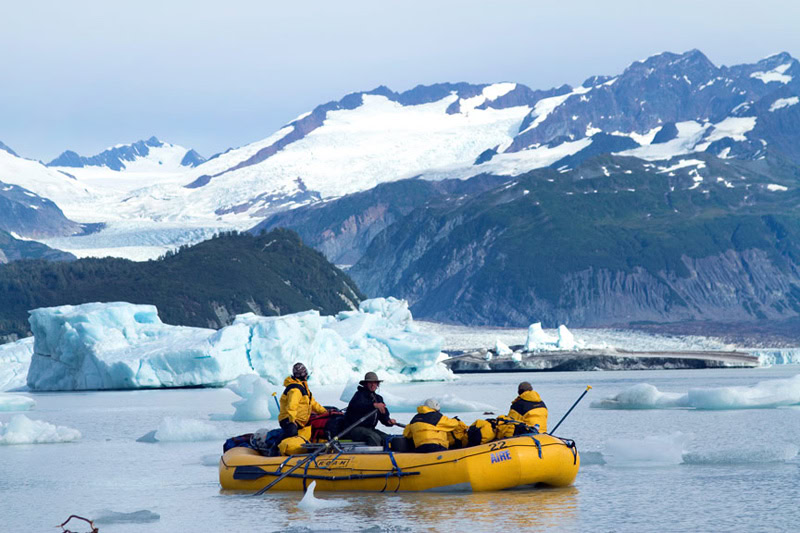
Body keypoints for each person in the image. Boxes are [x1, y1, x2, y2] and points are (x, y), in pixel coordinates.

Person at [277, 362, 328, 455]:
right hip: (290, 420)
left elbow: (313, 403)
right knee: (291, 435)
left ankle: (300, 449)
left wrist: (325, 412)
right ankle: (275, 449)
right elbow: (292, 406)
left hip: (301, 421)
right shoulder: (295, 390)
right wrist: (292, 421)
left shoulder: (303, 388)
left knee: (303, 437)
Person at [342, 371, 397, 446]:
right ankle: (373, 456)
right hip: (353, 428)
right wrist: (373, 405)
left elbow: (383, 415)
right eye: (370, 382)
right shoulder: (359, 395)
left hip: (369, 429)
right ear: (365, 384)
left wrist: (388, 421)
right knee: (374, 437)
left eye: (375, 383)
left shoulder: (378, 398)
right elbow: (358, 406)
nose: (373, 385)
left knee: (388, 438)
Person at [402, 398, 467, 453]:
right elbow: (453, 424)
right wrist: (456, 420)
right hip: (436, 447)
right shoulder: (437, 417)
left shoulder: (415, 419)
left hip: (420, 449)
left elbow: (407, 434)